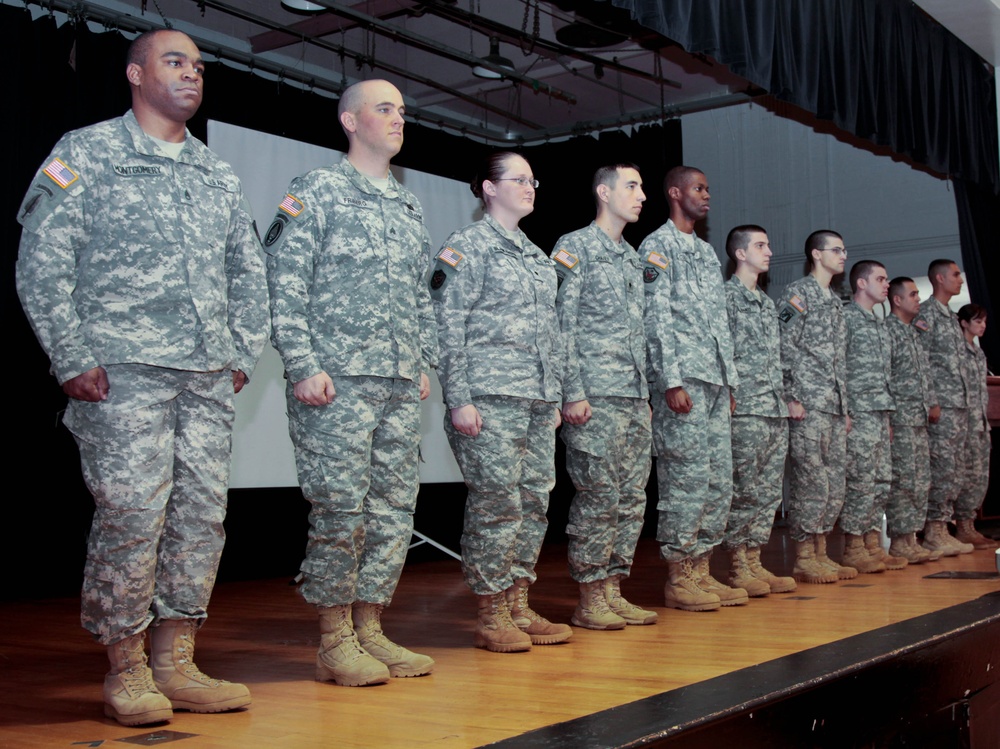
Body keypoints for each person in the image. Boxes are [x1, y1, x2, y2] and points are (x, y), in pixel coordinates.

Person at [15, 30, 267, 726]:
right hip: (121, 370)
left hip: (208, 374)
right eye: (174, 61)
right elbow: (41, 261)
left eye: (198, 65)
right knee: (132, 514)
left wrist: (242, 351)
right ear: (134, 73)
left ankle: (176, 660)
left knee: (199, 518)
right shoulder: (86, 151)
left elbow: (248, 270)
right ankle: (125, 667)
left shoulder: (216, 172)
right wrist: (70, 355)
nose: (192, 74)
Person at [264, 79, 438, 686]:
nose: (398, 118)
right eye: (384, 108)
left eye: (402, 109)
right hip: (337, 382)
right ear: (349, 120)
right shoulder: (318, 189)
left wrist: (423, 360)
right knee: (341, 510)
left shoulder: (408, 203)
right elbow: (283, 280)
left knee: (393, 510)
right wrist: (302, 364)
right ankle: (334, 640)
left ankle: (371, 629)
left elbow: (420, 295)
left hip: (395, 381)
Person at [430, 151, 570, 653]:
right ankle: (491, 612)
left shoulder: (536, 257)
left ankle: (518, 602)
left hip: (534, 400)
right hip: (488, 397)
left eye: (534, 180)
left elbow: (551, 335)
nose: (530, 187)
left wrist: (553, 395)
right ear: (488, 189)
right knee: (497, 504)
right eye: (518, 179)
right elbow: (447, 325)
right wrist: (459, 399)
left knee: (533, 503)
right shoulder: (466, 246)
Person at [553, 164, 657, 630]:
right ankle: (589, 596)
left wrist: (645, 395)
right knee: (598, 496)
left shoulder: (632, 257)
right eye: (631, 187)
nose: (641, 196)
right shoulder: (575, 247)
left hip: (632, 397)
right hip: (594, 395)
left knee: (631, 499)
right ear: (603, 191)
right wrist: (571, 391)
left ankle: (613, 589)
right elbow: (562, 324)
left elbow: (638, 334)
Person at [641, 166, 743, 612]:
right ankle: (679, 576)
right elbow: (656, 315)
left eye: (708, 189)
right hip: (683, 381)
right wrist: (670, 379)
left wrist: (730, 379)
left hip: (715, 381)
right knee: (685, 479)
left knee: (717, 480)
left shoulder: (704, 252)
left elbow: (719, 321)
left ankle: (702, 569)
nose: (706, 196)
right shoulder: (657, 246)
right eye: (699, 189)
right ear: (675, 192)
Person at [719, 226, 796, 597]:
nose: (769, 251)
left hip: (773, 408)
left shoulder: (767, 304)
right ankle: (737, 564)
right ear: (740, 253)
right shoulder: (726, 298)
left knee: (767, 492)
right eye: (760, 245)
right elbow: (721, 353)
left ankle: (754, 560)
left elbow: (778, 358)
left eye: (768, 244)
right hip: (745, 408)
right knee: (745, 488)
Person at [777, 231, 854, 584]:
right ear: (816, 255)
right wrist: (790, 395)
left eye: (844, 250)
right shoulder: (798, 294)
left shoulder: (837, 300)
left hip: (834, 405)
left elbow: (841, 360)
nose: (843, 255)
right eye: (836, 250)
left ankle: (822, 552)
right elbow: (783, 344)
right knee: (811, 480)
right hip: (807, 403)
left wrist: (846, 407)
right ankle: (804, 556)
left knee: (833, 480)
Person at [841, 261, 906, 573]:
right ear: (861, 284)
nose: (886, 284)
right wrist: (846, 411)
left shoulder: (879, 323)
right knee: (861, 479)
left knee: (881, 481)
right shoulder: (846, 318)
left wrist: (889, 419)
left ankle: (871, 544)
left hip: (879, 413)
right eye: (880, 279)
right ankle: (853, 546)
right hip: (859, 411)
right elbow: (838, 367)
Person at [915, 260, 975, 555]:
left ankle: (944, 525)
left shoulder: (951, 316)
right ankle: (933, 529)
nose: (960, 280)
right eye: (955, 275)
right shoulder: (927, 314)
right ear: (939, 278)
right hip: (942, 406)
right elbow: (921, 359)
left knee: (954, 468)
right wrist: (931, 400)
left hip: (958, 406)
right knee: (940, 466)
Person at [884, 277, 942, 563]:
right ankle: (899, 539)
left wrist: (931, 401)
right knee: (904, 479)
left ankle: (913, 537)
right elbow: (884, 377)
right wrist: (890, 417)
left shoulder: (914, 332)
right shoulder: (888, 331)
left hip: (918, 419)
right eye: (913, 294)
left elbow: (924, 374)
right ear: (897, 300)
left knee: (921, 479)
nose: (919, 298)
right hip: (901, 419)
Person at [956, 304, 996, 549]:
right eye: (978, 321)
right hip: (963, 422)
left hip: (981, 421)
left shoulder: (978, 352)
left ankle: (970, 524)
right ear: (964, 323)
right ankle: (962, 525)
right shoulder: (957, 350)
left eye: (984, 322)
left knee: (980, 475)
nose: (982, 326)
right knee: (966, 474)